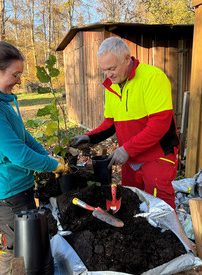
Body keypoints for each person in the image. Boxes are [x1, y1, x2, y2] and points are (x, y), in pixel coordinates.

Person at [0, 41, 64, 274]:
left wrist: (44, 155)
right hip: (7, 194)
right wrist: (54, 165)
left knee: (17, 245)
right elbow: (19, 154)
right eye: (15, 74)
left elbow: (23, 137)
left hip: (17, 189)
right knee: (21, 252)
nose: (19, 80)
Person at [71, 37, 179, 209]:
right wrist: (88, 137)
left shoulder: (153, 77)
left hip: (157, 156)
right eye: (104, 70)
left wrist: (127, 149)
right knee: (132, 203)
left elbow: (159, 124)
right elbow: (110, 124)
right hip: (130, 158)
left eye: (112, 68)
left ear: (127, 59)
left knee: (160, 207)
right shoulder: (112, 86)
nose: (108, 74)